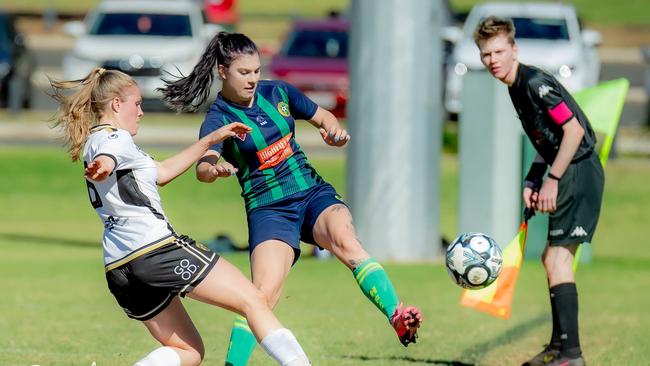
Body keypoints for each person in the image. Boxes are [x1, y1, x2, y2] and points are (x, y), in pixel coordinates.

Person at [158, 32, 423, 365]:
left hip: (312, 193)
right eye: (244, 73)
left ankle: (397, 316)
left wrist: (332, 131)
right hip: (269, 210)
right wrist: (216, 169)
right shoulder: (219, 119)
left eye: (256, 70)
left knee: (348, 243)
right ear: (223, 71)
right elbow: (203, 166)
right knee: (260, 297)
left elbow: (323, 115)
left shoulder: (279, 92)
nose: (253, 79)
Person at [49, 67, 312, 366]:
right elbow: (110, 155)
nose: (141, 112)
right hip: (156, 250)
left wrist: (211, 140)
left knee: (190, 352)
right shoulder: (114, 139)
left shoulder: (97, 140)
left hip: (120, 268)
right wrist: (105, 165)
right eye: (137, 103)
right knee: (253, 300)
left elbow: (161, 172)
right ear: (116, 105)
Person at [473, 17, 604, 366]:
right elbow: (547, 137)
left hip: (579, 170)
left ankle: (571, 355)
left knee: (558, 258)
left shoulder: (535, 84)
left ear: (514, 49)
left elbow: (573, 132)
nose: (492, 60)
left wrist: (553, 179)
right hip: (569, 169)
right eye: (486, 54)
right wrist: (533, 177)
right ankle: (559, 348)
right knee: (552, 258)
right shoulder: (515, 87)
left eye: (499, 51)